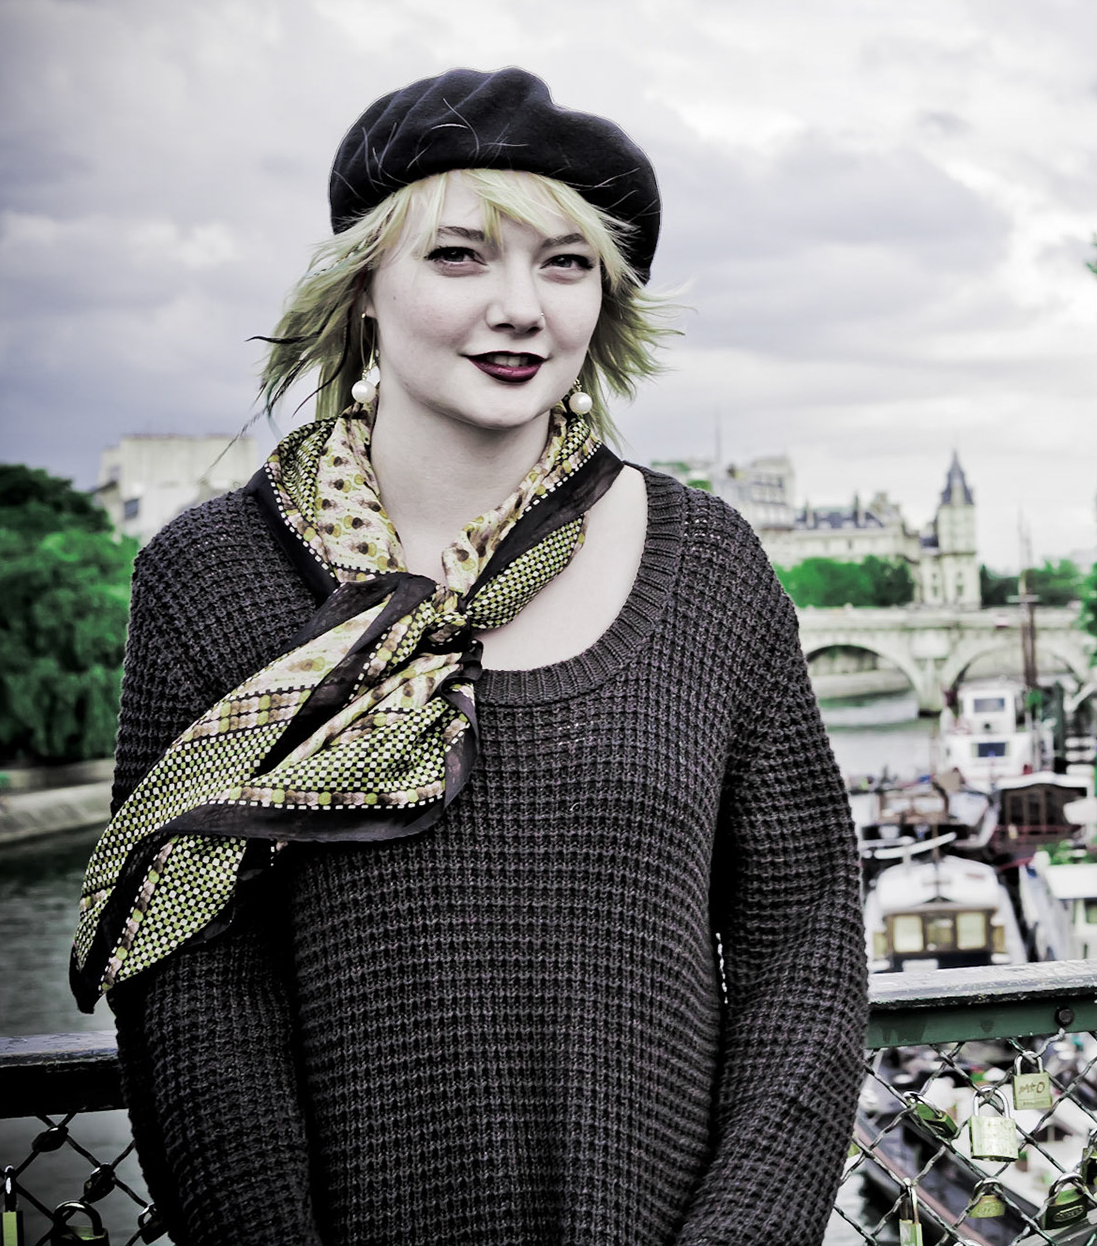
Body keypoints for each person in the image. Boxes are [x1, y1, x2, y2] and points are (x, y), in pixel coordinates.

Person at [70, 69, 867, 1246]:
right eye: (458, 257)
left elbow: (803, 930)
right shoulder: (212, 575)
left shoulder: (710, 567)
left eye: (565, 262)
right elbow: (195, 988)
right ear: (361, 293)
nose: (521, 308)